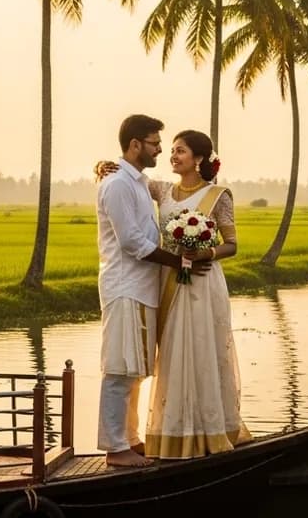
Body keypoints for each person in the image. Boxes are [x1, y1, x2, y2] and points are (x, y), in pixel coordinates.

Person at [95, 129, 250, 460]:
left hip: (203, 284)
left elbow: (232, 244)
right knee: (173, 356)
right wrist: (105, 165)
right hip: (168, 281)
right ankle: (172, 435)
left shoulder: (217, 194)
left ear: (198, 159)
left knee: (203, 351)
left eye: (180, 151)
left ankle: (209, 429)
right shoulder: (162, 189)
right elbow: (129, 178)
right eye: (170, 150)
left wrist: (203, 255)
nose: (172, 155)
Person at [94, 115, 203, 468]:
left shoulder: (137, 182)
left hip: (143, 287)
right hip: (125, 286)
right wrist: (178, 262)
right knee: (120, 368)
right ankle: (114, 447)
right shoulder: (117, 185)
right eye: (155, 143)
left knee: (136, 368)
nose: (160, 149)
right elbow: (131, 242)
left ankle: (131, 438)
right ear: (135, 144)